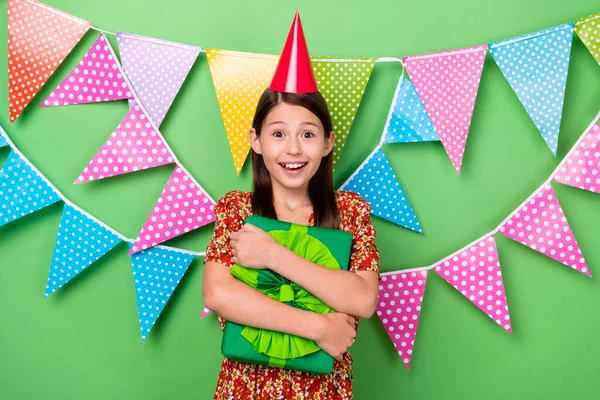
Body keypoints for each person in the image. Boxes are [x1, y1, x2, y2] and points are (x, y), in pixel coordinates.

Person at [202, 11, 380, 399]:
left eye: (308, 134)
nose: (294, 149)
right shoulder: (237, 209)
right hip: (243, 390)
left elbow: (363, 300)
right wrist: (320, 328)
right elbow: (220, 295)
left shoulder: (350, 212)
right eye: (278, 133)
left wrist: (271, 254)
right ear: (256, 140)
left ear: (328, 143)